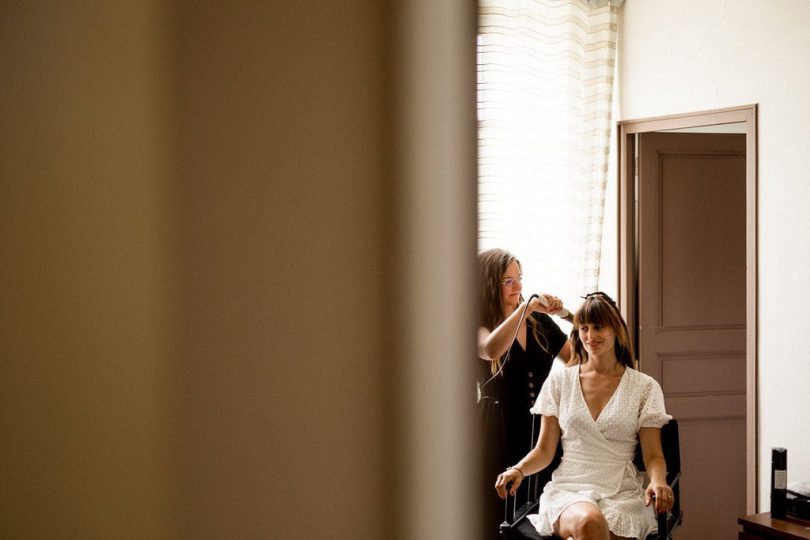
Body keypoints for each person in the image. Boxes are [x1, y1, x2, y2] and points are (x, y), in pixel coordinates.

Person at [494, 292, 674, 540]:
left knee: (593, 530)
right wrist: (519, 469)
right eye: (584, 328)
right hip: (570, 491)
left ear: (616, 330)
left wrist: (657, 481)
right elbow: (545, 450)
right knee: (590, 522)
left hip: (621, 494)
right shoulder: (559, 382)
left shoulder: (644, 387)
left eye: (598, 327)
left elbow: (653, 454)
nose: (590, 336)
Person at [477, 248, 572, 538]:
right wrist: (527, 308)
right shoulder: (478, 324)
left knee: (540, 509)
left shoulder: (540, 323)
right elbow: (491, 349)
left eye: (519, 278)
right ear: (490, 284)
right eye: (508, 281)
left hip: (541, 425)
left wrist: (564, 313)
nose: (518, 287)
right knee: (498, 510)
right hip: (498, 426)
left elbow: (577, 359)